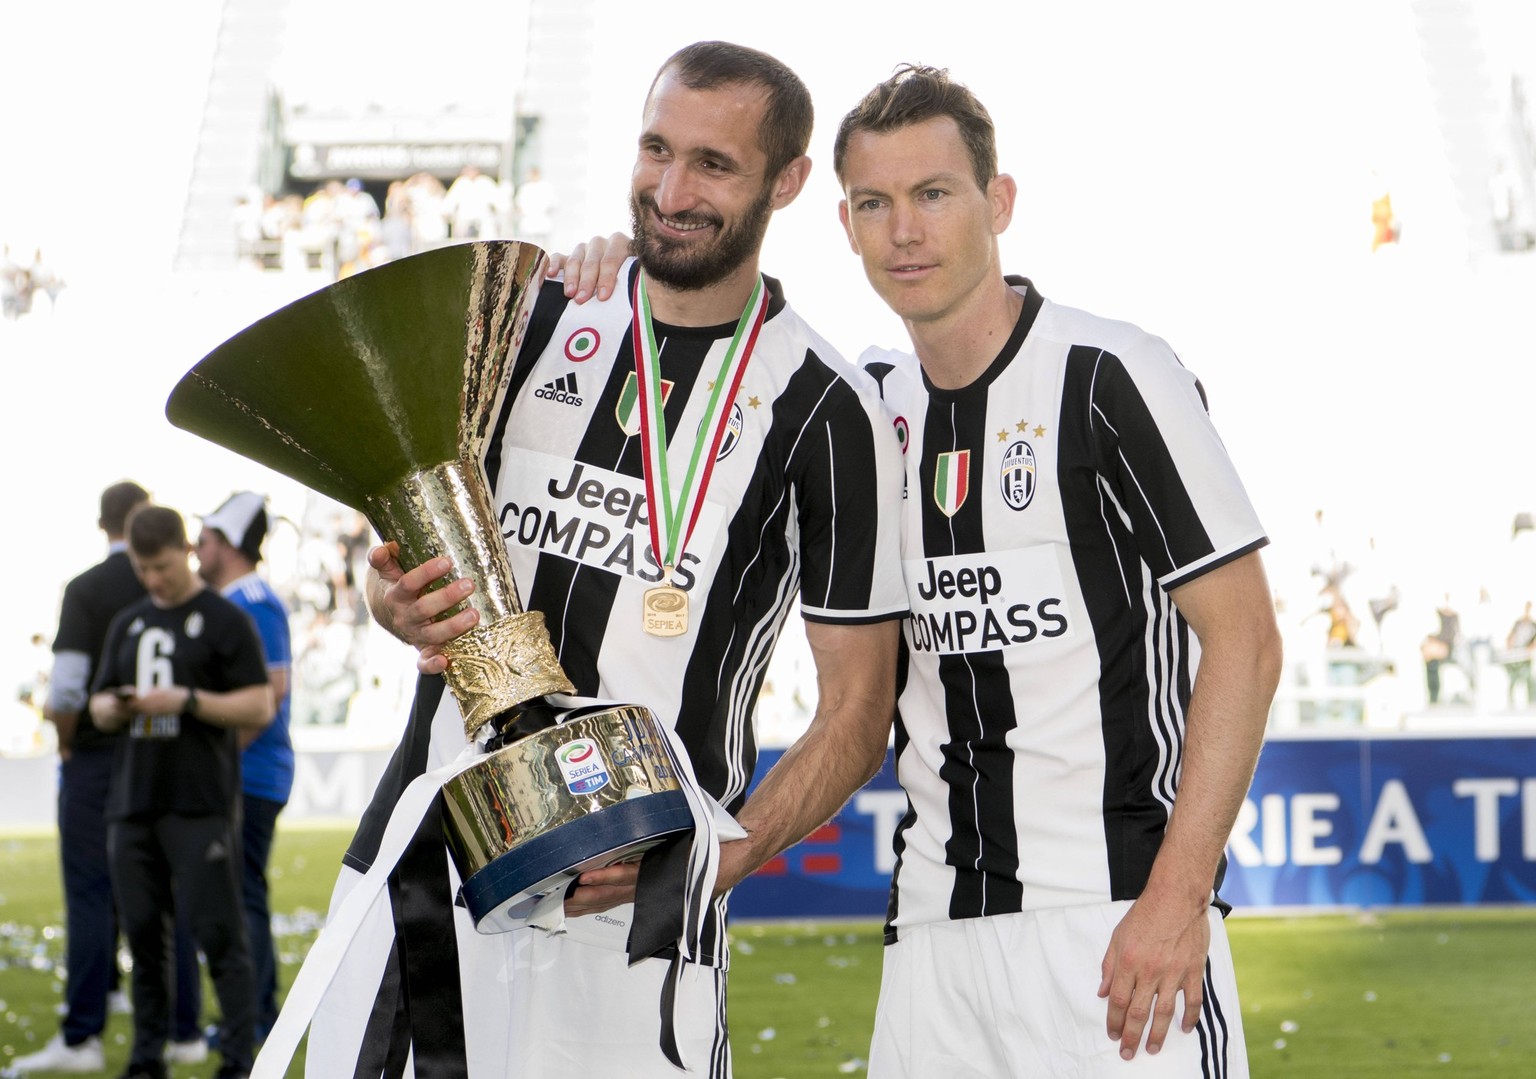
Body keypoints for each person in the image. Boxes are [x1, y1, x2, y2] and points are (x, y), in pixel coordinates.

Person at [560, 60, 1282, 1078]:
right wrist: (600, 266)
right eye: (874, 203)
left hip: (1113, 921)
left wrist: (1177, 896)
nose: (905, 230)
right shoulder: (863, 406)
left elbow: (1247, 642)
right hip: (932, 933)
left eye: (934, 194)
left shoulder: (1111, 375)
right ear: (843, 224)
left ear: (999, 202)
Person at [282, 41, 905, 1079]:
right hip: (429, 868)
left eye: (714, 163)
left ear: (787, 182)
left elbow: (856, 710)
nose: (670, 189)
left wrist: (719, 856)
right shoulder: (532, 318)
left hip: (639, 907)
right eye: (655, 149)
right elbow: (400, 547)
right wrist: (390, 597)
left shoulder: (827, 410)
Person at [88, 504, 274, 1079]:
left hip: (199, 804)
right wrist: (115, 706)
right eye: (144, 570)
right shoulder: (129, 622)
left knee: (220, 933)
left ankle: (239, 1059)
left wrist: (188, 701)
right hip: (132, 804)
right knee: (144, 937)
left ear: (186, 551)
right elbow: (93, 707)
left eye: (163, 567)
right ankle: (147, 1058)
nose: (153, 580)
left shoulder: (224, 619)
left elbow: (261, 704)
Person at [11, 483, 149, 1075]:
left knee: (90, 891)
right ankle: (158, 1017)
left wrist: (66, 740)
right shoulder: (166, 584)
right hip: (155, 758)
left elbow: (67, 687)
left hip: (96, 758)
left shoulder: (88, 588)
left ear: (102, 524)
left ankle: (82, 1037)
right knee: (151, 891)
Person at [196, 492, 295, 1043]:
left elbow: (271, 688)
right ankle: (248, 1015)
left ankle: (253, 1019)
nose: (196, 549)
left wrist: (213, 759)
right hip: (247, 770)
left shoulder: (251, 599)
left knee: (239, 897)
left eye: (205, 538)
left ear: (229, 544)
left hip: (248, 774)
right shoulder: (237, 598)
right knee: (234, 896)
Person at [1503, 601, 1536, 708]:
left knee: (1528, 678)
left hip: (1526, 656)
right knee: (1513, 678)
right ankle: (1510, 703)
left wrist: (1530, 649)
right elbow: (1510, 637)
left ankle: (1531, 702)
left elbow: (1533, 643)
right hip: (1515, 654)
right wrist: (1510, 645)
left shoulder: (1533, 625)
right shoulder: (1518, 623)